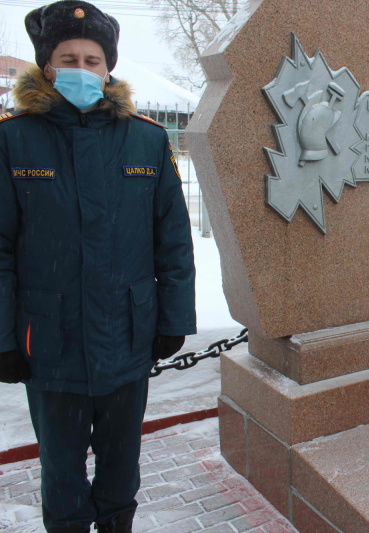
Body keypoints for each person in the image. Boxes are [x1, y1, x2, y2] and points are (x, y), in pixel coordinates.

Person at [0, 2, 196, 532]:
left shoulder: (146, 139)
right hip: (49, 341)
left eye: (92, 59)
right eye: (69, 58)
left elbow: (173, 242)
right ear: (47, 66)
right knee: (60, 472)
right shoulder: (13, 140)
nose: (81, 69)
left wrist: (173, 318)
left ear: (108, 67)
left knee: (120, 467)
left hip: (127, 337)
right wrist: (2, 338)